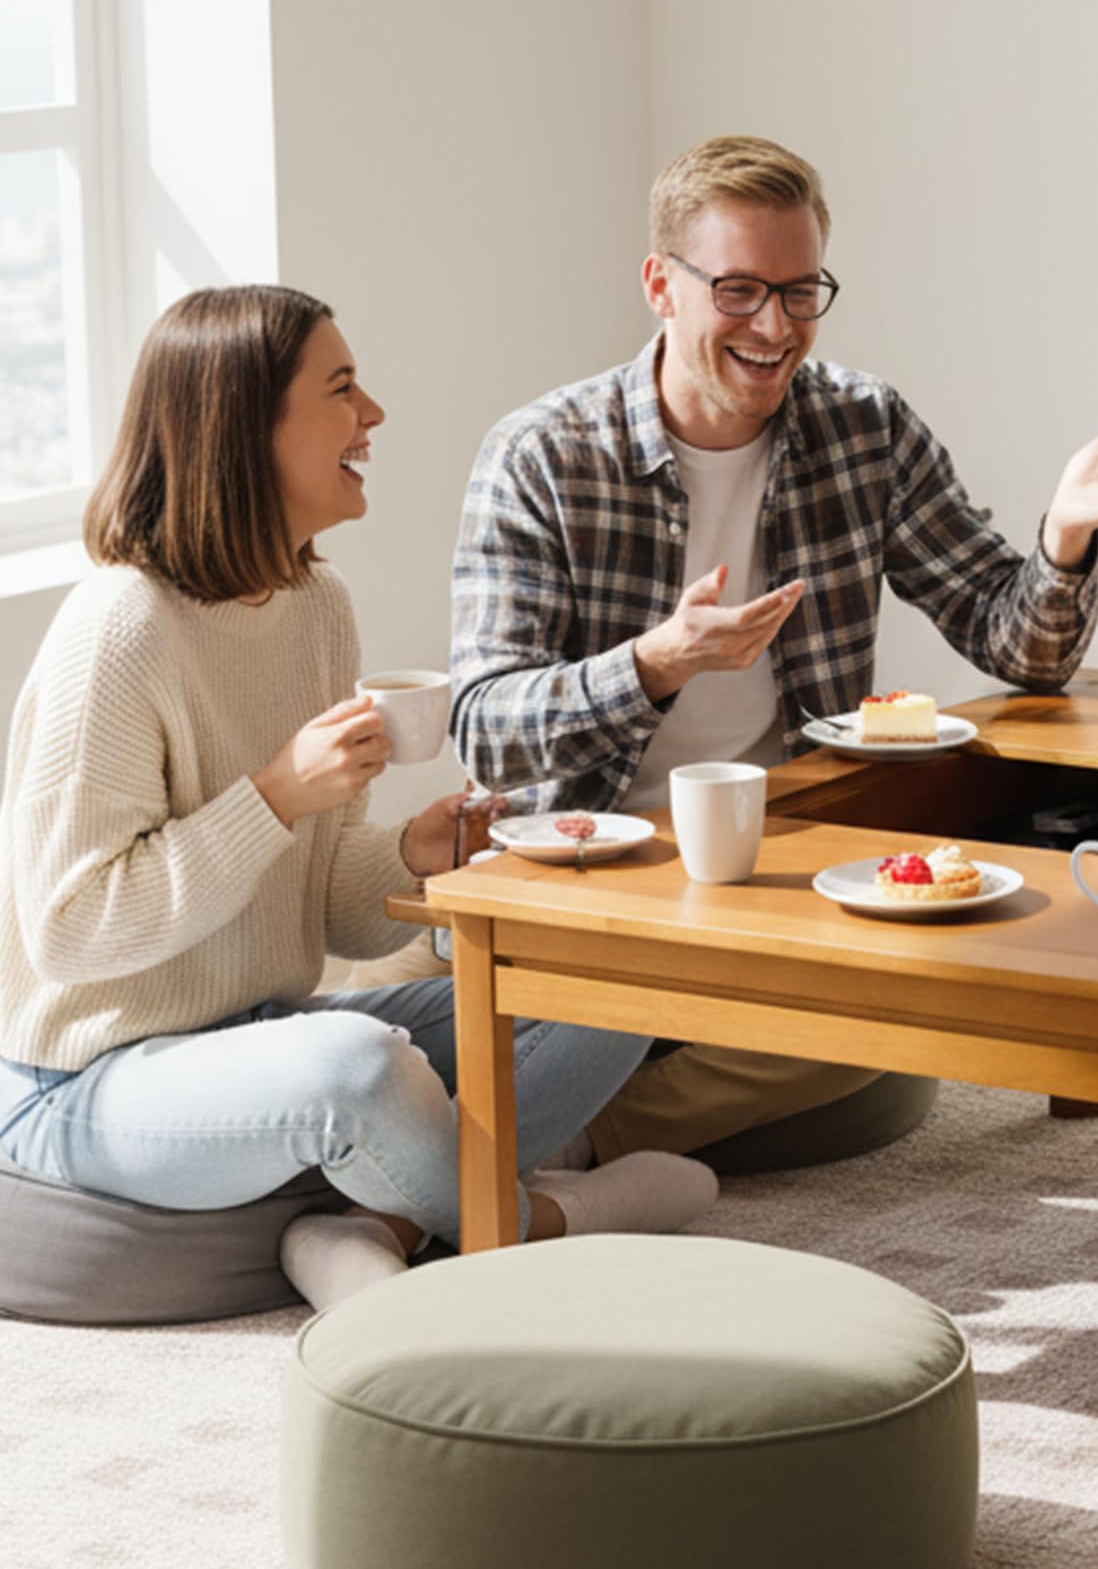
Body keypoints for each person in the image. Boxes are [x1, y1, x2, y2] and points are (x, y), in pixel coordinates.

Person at [451, 135, 1098, 1166]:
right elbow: (484, 728)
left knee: (910, 1017)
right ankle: (620, 1100)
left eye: (801, 293)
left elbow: (1015, 644)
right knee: (870, 1061)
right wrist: (653, 663)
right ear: (658, 286)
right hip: (597, 868)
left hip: (790, 864)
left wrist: (1062, 539)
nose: (774, 327)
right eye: (741, 290)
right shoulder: (542, 454)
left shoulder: (861, 426)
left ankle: (576, 1139)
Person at [0, 286, 719, 1313]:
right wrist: (275, 793)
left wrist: (416, 852)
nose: (372, 413)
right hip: (85, 1084)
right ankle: (549, 1219)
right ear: (249, 426)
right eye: (341, 389)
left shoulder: (315, 605)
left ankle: (374, 1223)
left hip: (258, 1026)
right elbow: (67, 931)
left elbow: (325, 905)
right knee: (355, 1066)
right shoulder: (119, 629)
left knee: (610, 981)